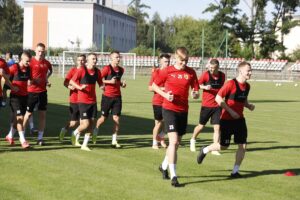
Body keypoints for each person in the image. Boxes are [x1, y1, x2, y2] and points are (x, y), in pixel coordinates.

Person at [197, 61, 255, 178]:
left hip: (240, 120)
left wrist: (248, 105)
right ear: (240, 71)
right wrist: (230, 111)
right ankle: (205, 149)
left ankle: (235, 171)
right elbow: (218, 98)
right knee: (224, 146)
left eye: (250, 70)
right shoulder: (230, 84)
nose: (250, 72)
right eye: (248, 70)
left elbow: (242, 100)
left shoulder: (247, 86)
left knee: (242, 145)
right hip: (227, 120)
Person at [152, 47, 199, 187]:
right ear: (176, 58)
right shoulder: (167, 70)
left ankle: (164, 166)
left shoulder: (191, 73)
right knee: (172, 142)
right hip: (169, 109)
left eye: (186, 61)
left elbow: (195, 91)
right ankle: (174, 176)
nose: (184, 63)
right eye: (182, 60)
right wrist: (165, 95)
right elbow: (154, 86)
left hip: (183, 111)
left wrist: (195, 94)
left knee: (177, 143)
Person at [190, 59, 225, 154]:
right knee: (201, 126)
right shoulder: (206, 74)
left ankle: (214, 148)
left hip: (217, 105)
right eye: (211, 68)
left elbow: (222, 88)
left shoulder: (222, 75)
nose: (212, 70)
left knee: (217, 128)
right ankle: (193, 140)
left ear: (218, 67)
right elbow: (197, 85)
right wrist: (205, 87)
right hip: (206, 105)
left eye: (214, 68)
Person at [69, 53, 102, 151]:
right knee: (85, 124)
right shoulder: (82, 70)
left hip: (93, 101)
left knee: (92, 124)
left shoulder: (97, 71)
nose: (95, 60)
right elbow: (71, 81)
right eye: (93, 59)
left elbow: (100, 84)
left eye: (96, 59)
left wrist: (103, 87)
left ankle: (84, 145)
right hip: (83, 101)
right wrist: (79, 87)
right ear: (87, 60)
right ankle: (74, 133)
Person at [93, 51, 126, 148]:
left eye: (119, 57)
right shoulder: (107, 69)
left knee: (116, 119)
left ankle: (114, 141)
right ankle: (95, 130)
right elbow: (100, 79)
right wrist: (110, 81)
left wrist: (122, 84)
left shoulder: (121, 70)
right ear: (111, 58)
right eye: (116, 57)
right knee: (103, 118)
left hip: (117, 97)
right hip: (107, 97)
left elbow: (118, 81)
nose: (118, 59)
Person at [23, 43, 53, 146]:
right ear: (35, 51)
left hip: (43, 92)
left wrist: (46, 80)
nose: (40, 53)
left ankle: (40, 138)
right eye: (39, 51)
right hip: (31, 92)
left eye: (42, 51)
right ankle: (22, 135)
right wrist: (29, 81)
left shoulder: (47, 63)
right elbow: (25, 74)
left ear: (44, 52)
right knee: (28, 114)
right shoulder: (30, 62)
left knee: (42, 115)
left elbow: (50, 71)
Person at [5, 51, 32, 148]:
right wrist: (12, 87)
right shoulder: (14, 67)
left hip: (25, 97)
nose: (29, 63)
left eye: (30, 61)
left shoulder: (28, 69)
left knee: (17, 119)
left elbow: (30, 80)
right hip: (15, 97)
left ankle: (10, 135)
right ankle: (23, 140)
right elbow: (4, 77)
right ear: (22, 58)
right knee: (20, 118)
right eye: (27, 61)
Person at [59, 54, 86, 141]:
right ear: (76, 61)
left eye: (82, 60)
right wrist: (69, 86)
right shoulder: (73, 70)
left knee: (83, 121)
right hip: (74, 99)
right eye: (79, 60)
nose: (81, 62)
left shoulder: (87, 71)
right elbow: (65, 82)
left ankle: (76, 138)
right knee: (73, 122)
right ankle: (64, 129)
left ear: (85, 61)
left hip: (85, 100)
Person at [148, 53, 170, 149]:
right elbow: (150, 87)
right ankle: (155, 142)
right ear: (160, 61)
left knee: (168, 122)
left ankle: (161, 137)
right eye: (165, 61)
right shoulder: (156, 72)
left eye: (168, 61)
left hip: (168, 101)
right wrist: (162, 89)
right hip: (158, 101)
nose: (167, 63)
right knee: (159, 122)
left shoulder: (171, 73)